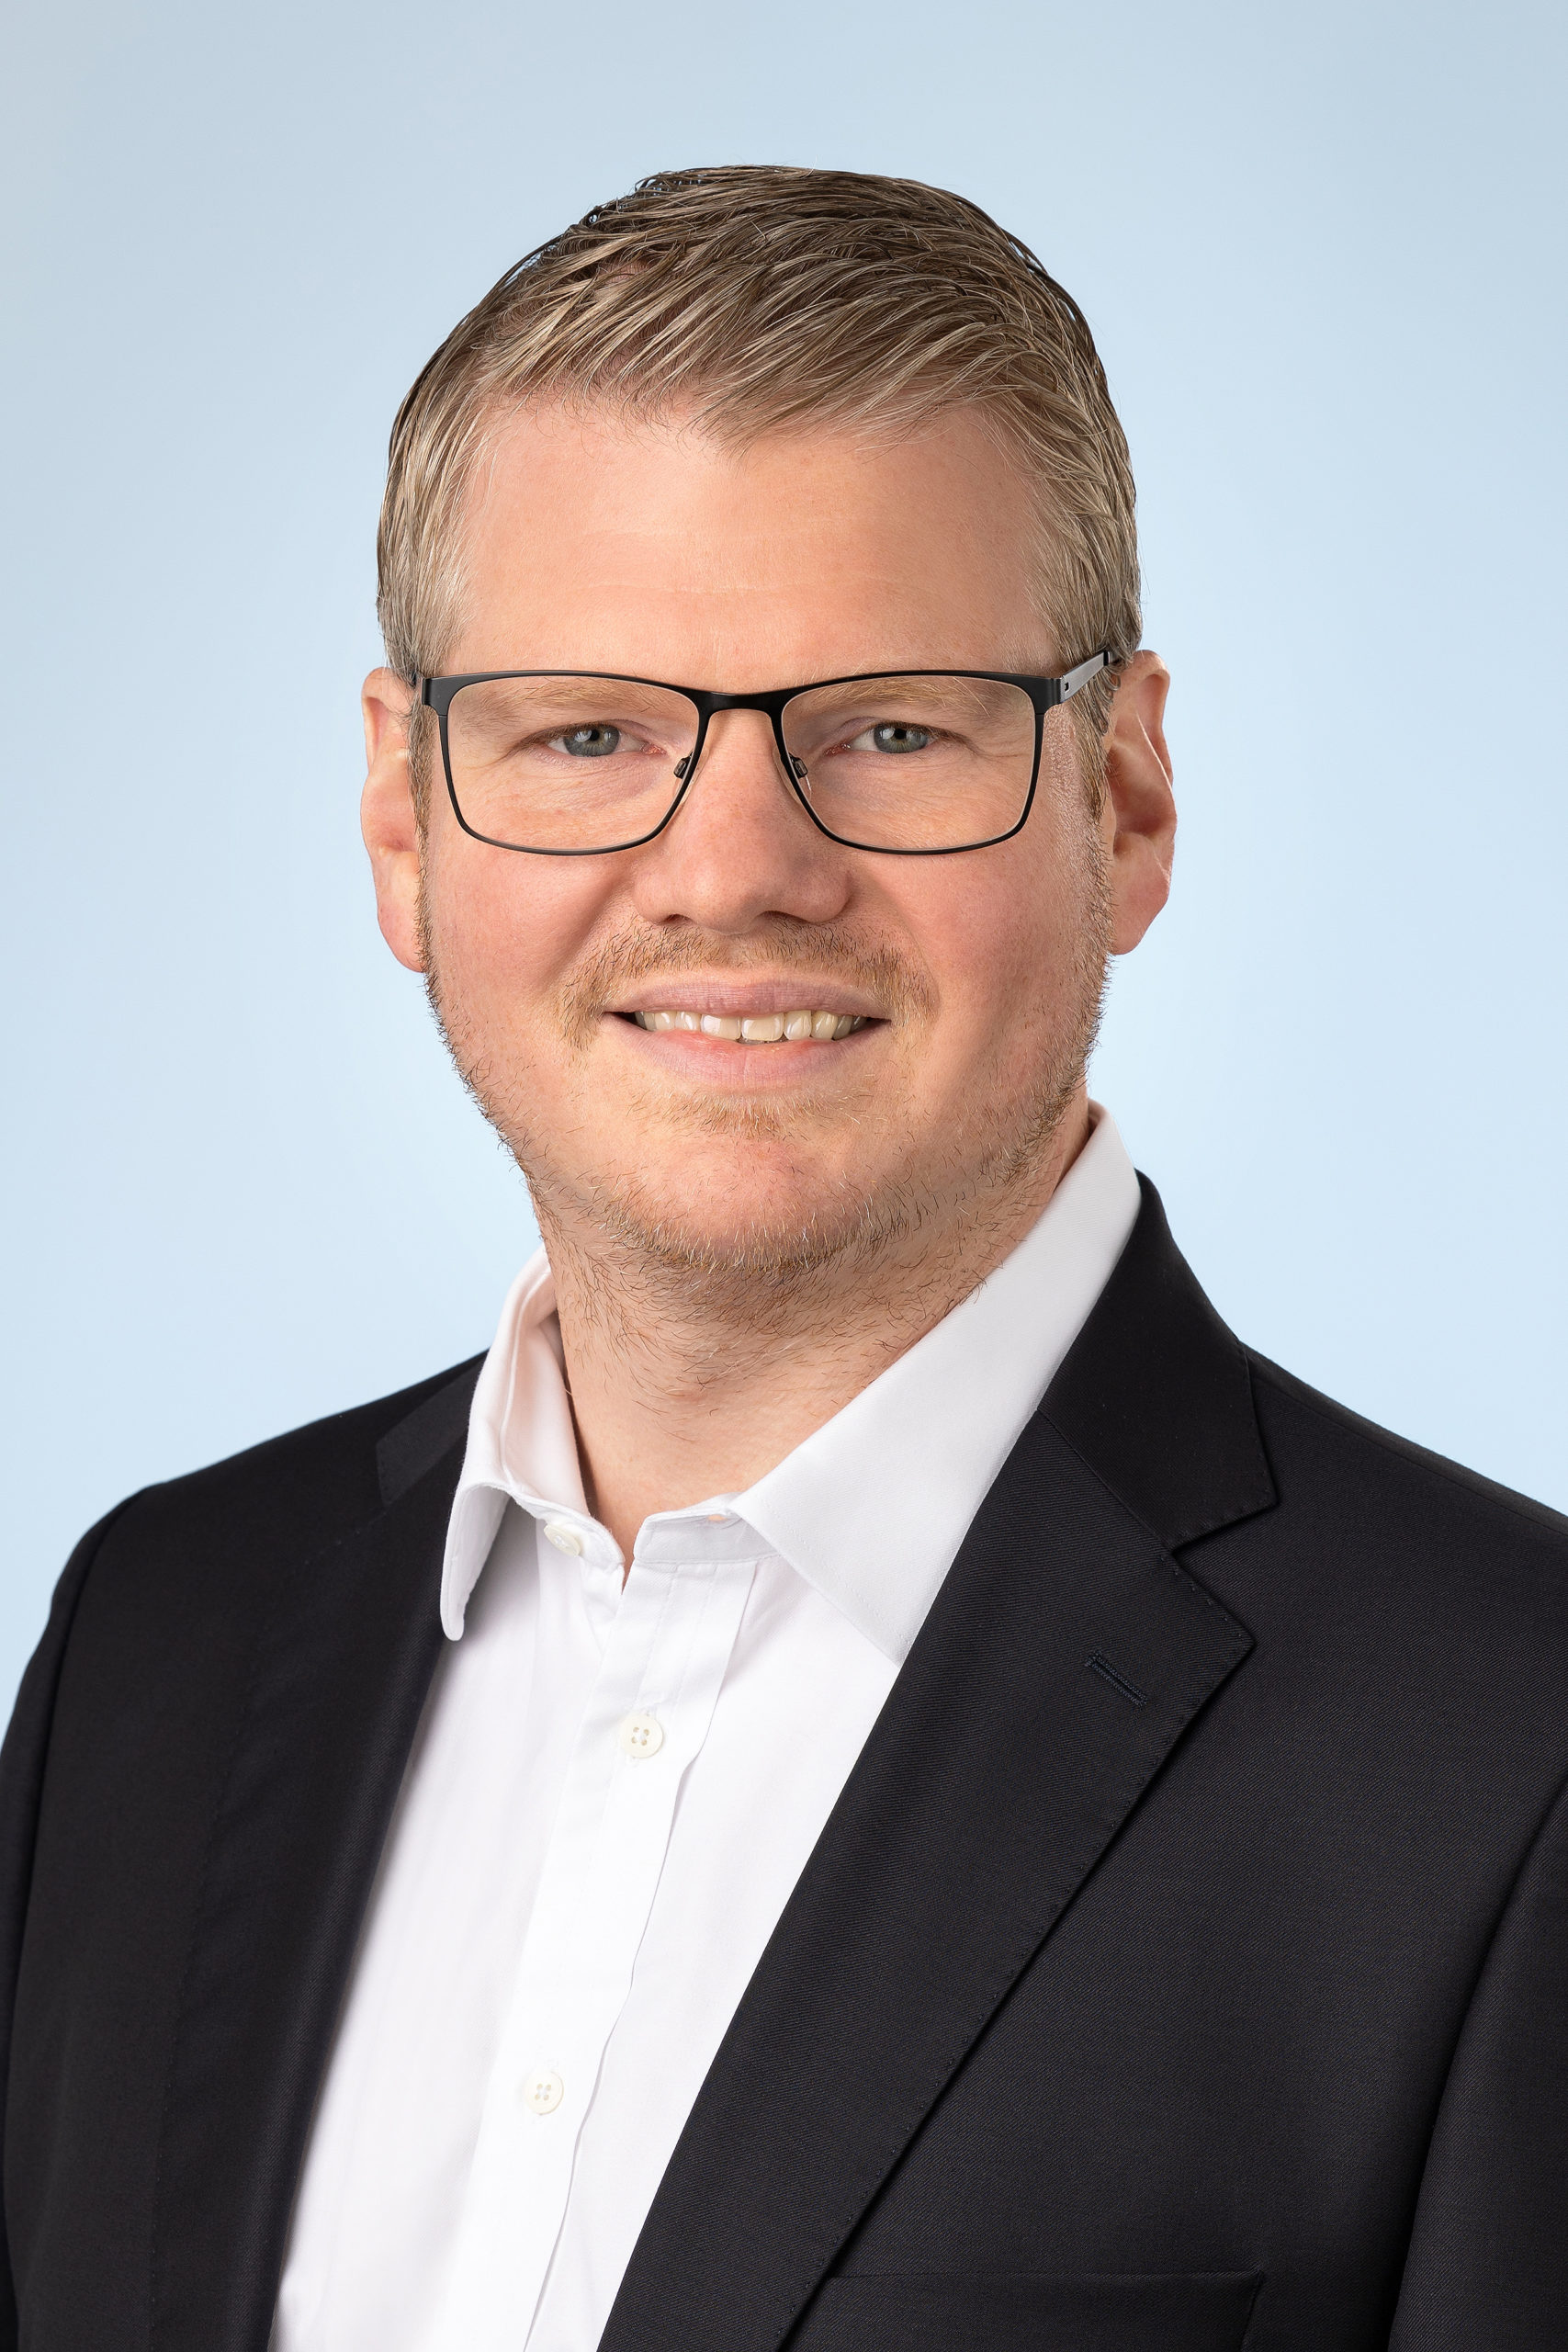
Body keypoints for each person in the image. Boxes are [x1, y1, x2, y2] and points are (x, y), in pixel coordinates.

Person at [3, 164, 1566, 2352]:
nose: (731, 866)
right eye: (586, 733)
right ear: (401, 821)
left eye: (890, 727)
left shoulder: (1507, 1752)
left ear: (1122, 802)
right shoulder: (152, 1642)